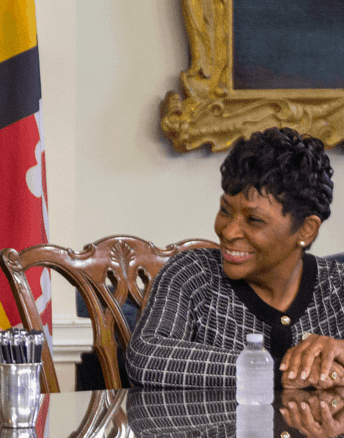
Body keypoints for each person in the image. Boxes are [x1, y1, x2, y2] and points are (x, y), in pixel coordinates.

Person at [127, 126, 344, 389]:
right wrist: (278, 373)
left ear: (306, 230)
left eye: (254, 220)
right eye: (225, 210)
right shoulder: (192, 273)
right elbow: (147, 355)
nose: (228, 232)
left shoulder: (338, 287)